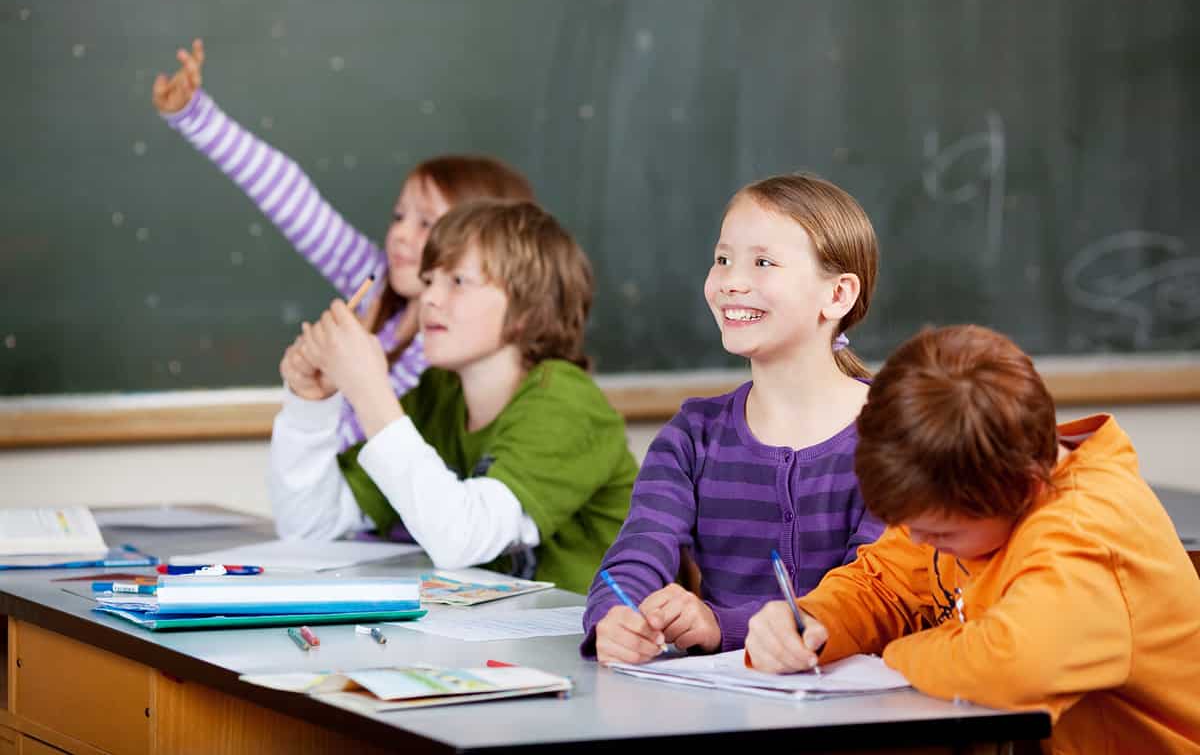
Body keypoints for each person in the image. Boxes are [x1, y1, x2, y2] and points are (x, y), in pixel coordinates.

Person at [744, 325, 1200, 755]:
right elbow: (882, 584)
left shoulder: (1084, 529)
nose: (919, 541)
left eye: (940, 534)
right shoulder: (961, 486)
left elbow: (1016, 664)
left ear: (1024, 487)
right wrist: (809, 621)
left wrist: (899, 654)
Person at [153, 39, 534, 449]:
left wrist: (313, 410)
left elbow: (366, 447)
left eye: (427, 223)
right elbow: (290, 197)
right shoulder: (376, 279)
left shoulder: (450, 345)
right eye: (399, 216)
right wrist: (196, 118)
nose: (402, 234)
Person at [583, 174, 885, 662]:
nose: (730, 281)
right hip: (727, 707)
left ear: (838, 295)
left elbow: (873, 597)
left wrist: (720, 624)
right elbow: (640, 550)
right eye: (723, 259)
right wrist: (614, 616)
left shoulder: (896, 436)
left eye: (762, 262)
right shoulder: (692, 436)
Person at [270, 199, 639, 594]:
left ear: (528, 310)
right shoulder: (439, 392)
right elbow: (311, 526)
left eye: (458, 282)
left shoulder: (567, 401)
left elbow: (461, 538)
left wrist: (369, 391)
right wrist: (310, 406)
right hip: (493, 638)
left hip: (589, 642)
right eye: (429, 280)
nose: (429, 298)